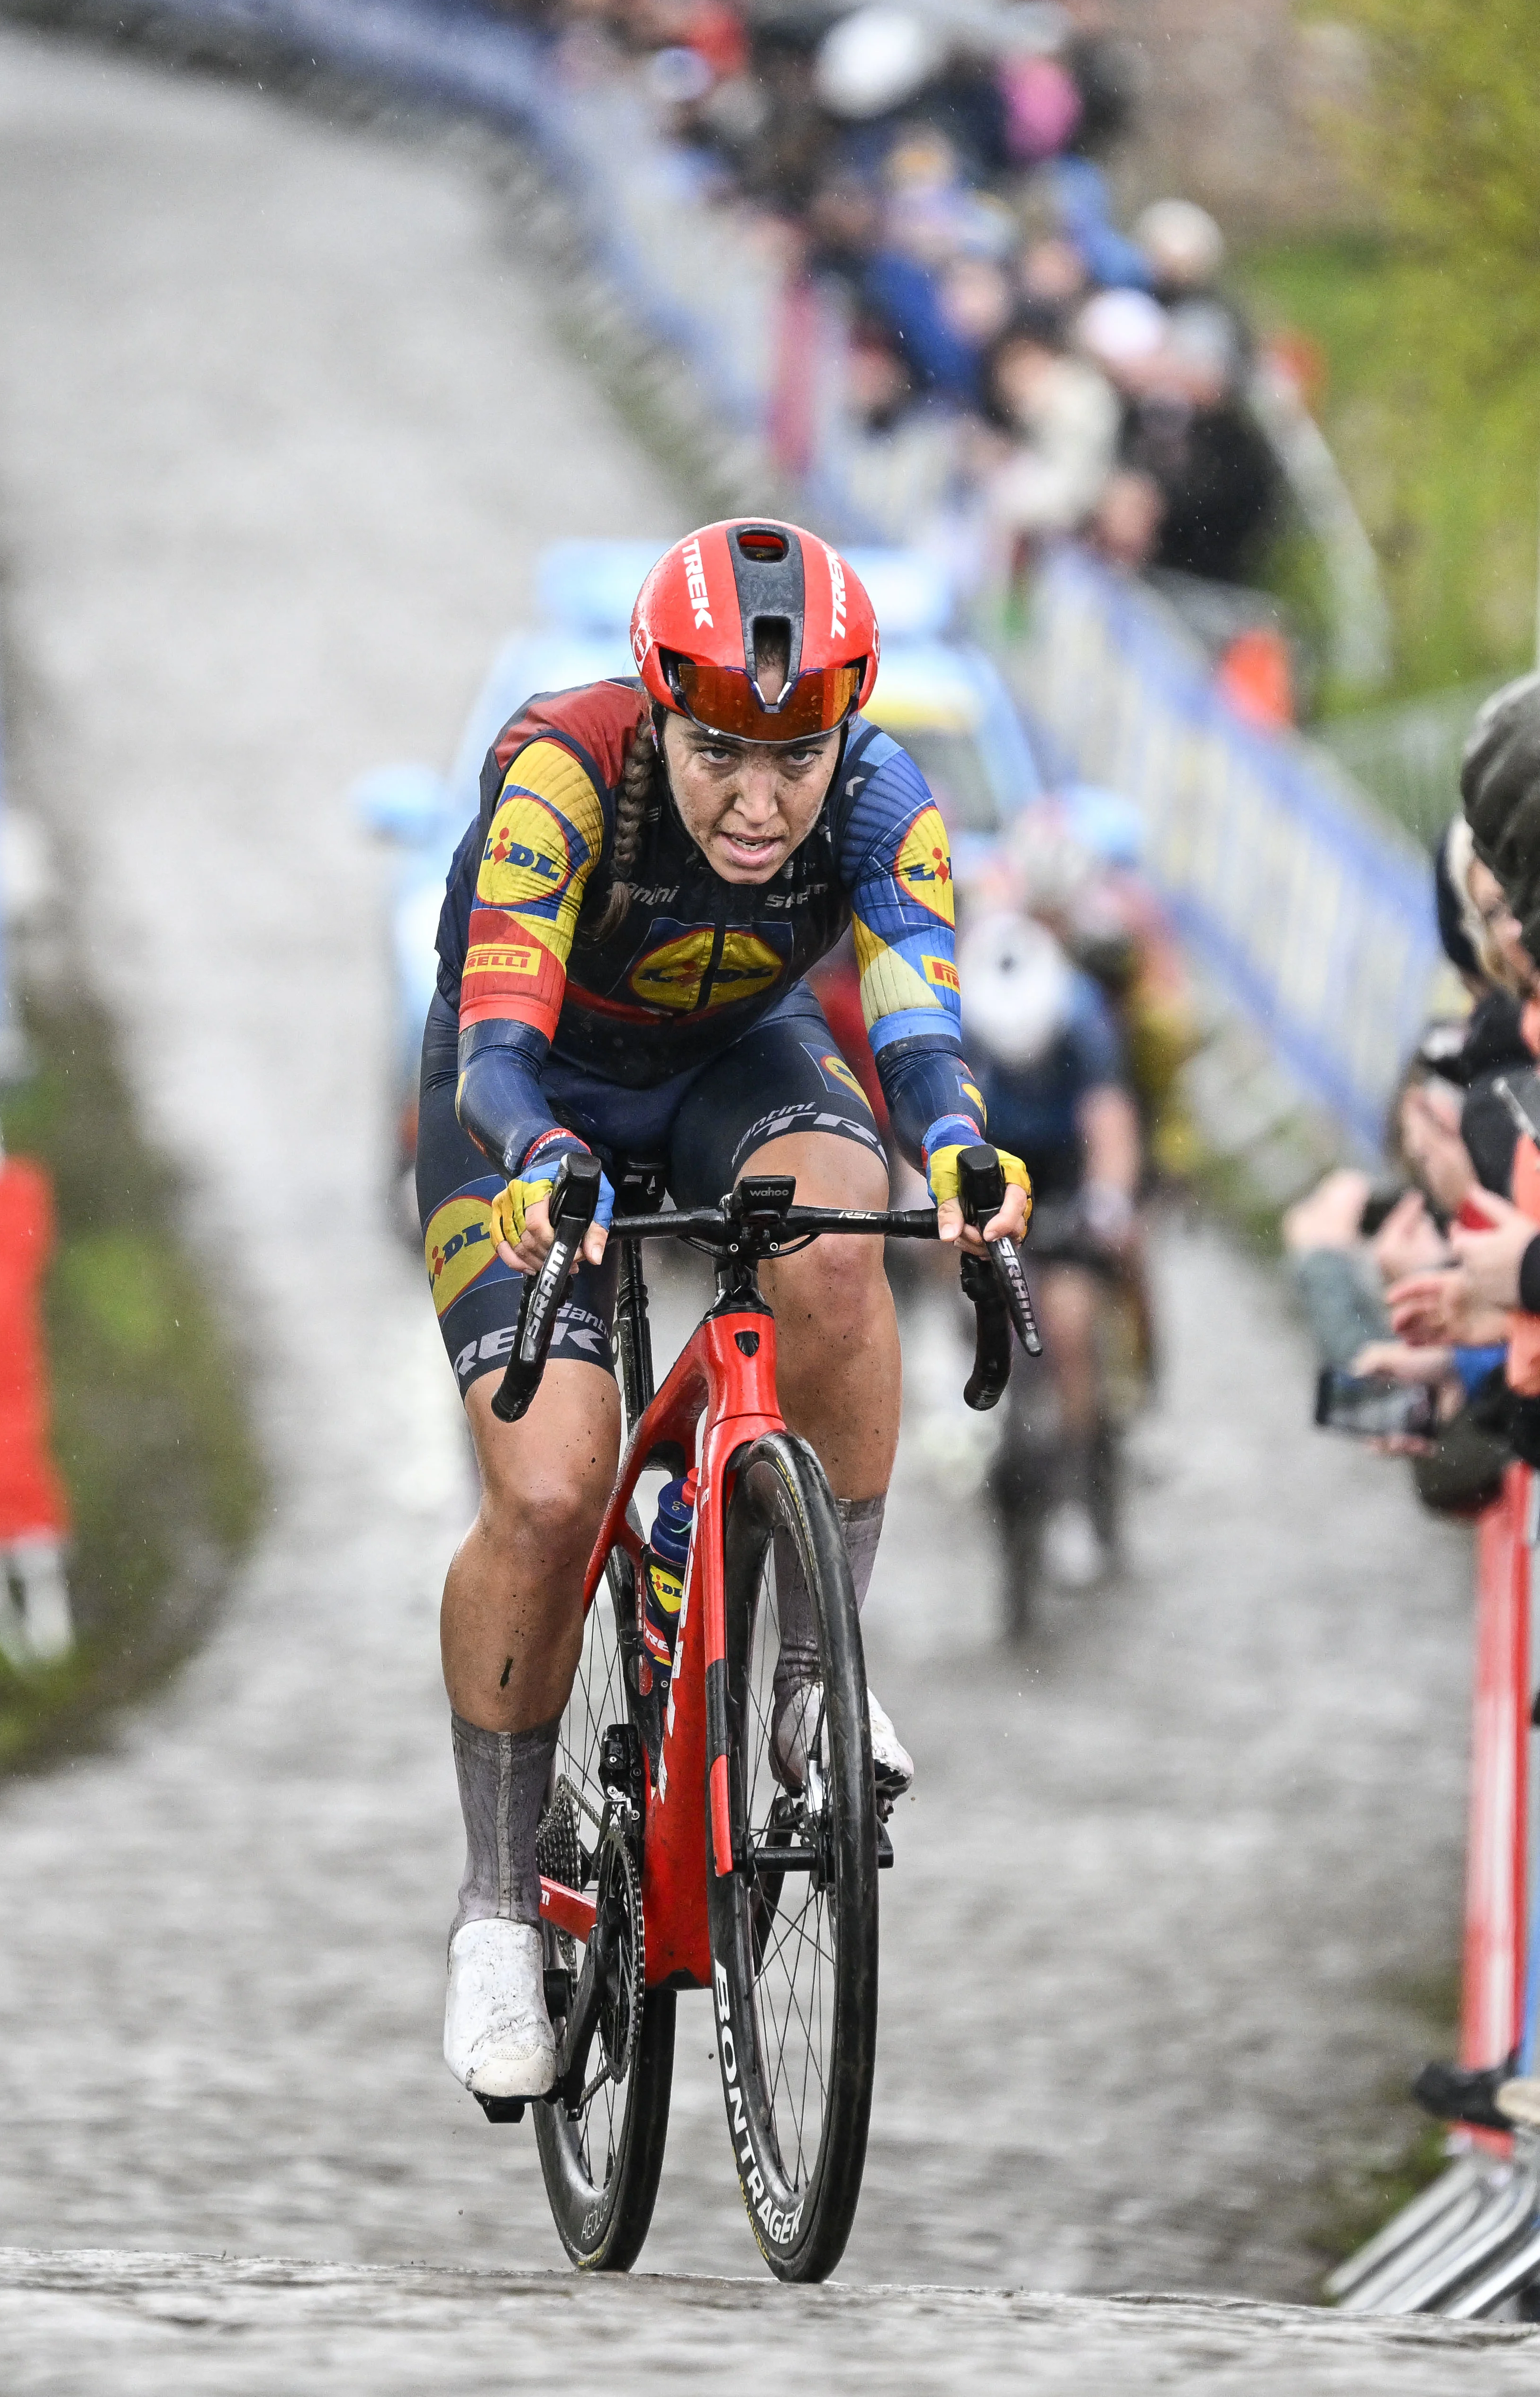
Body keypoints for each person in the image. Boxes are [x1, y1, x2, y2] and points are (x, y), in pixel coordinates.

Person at [420, 518, 1030, 2099]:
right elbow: (494, 1050)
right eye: (719, 758)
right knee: (553, 1486)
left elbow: (918, 1020)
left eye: (797, 760)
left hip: (728, 1068)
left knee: (843, 1240)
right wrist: (546, 1153)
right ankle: (496, 1911)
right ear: (660, 713)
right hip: (528, 1094)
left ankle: (813, 1673)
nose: (762, 804)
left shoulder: (887, 794)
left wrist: (962, 1153)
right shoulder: (566, 769)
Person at [956, 907, 1140, 1583]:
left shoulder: (1082, 1019)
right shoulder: (965, 1024)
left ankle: (1075, 1492)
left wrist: (1109, 1201)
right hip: (994, 1172)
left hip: (1063, 1179)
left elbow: (1109, 1122)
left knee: (1067, 1328)